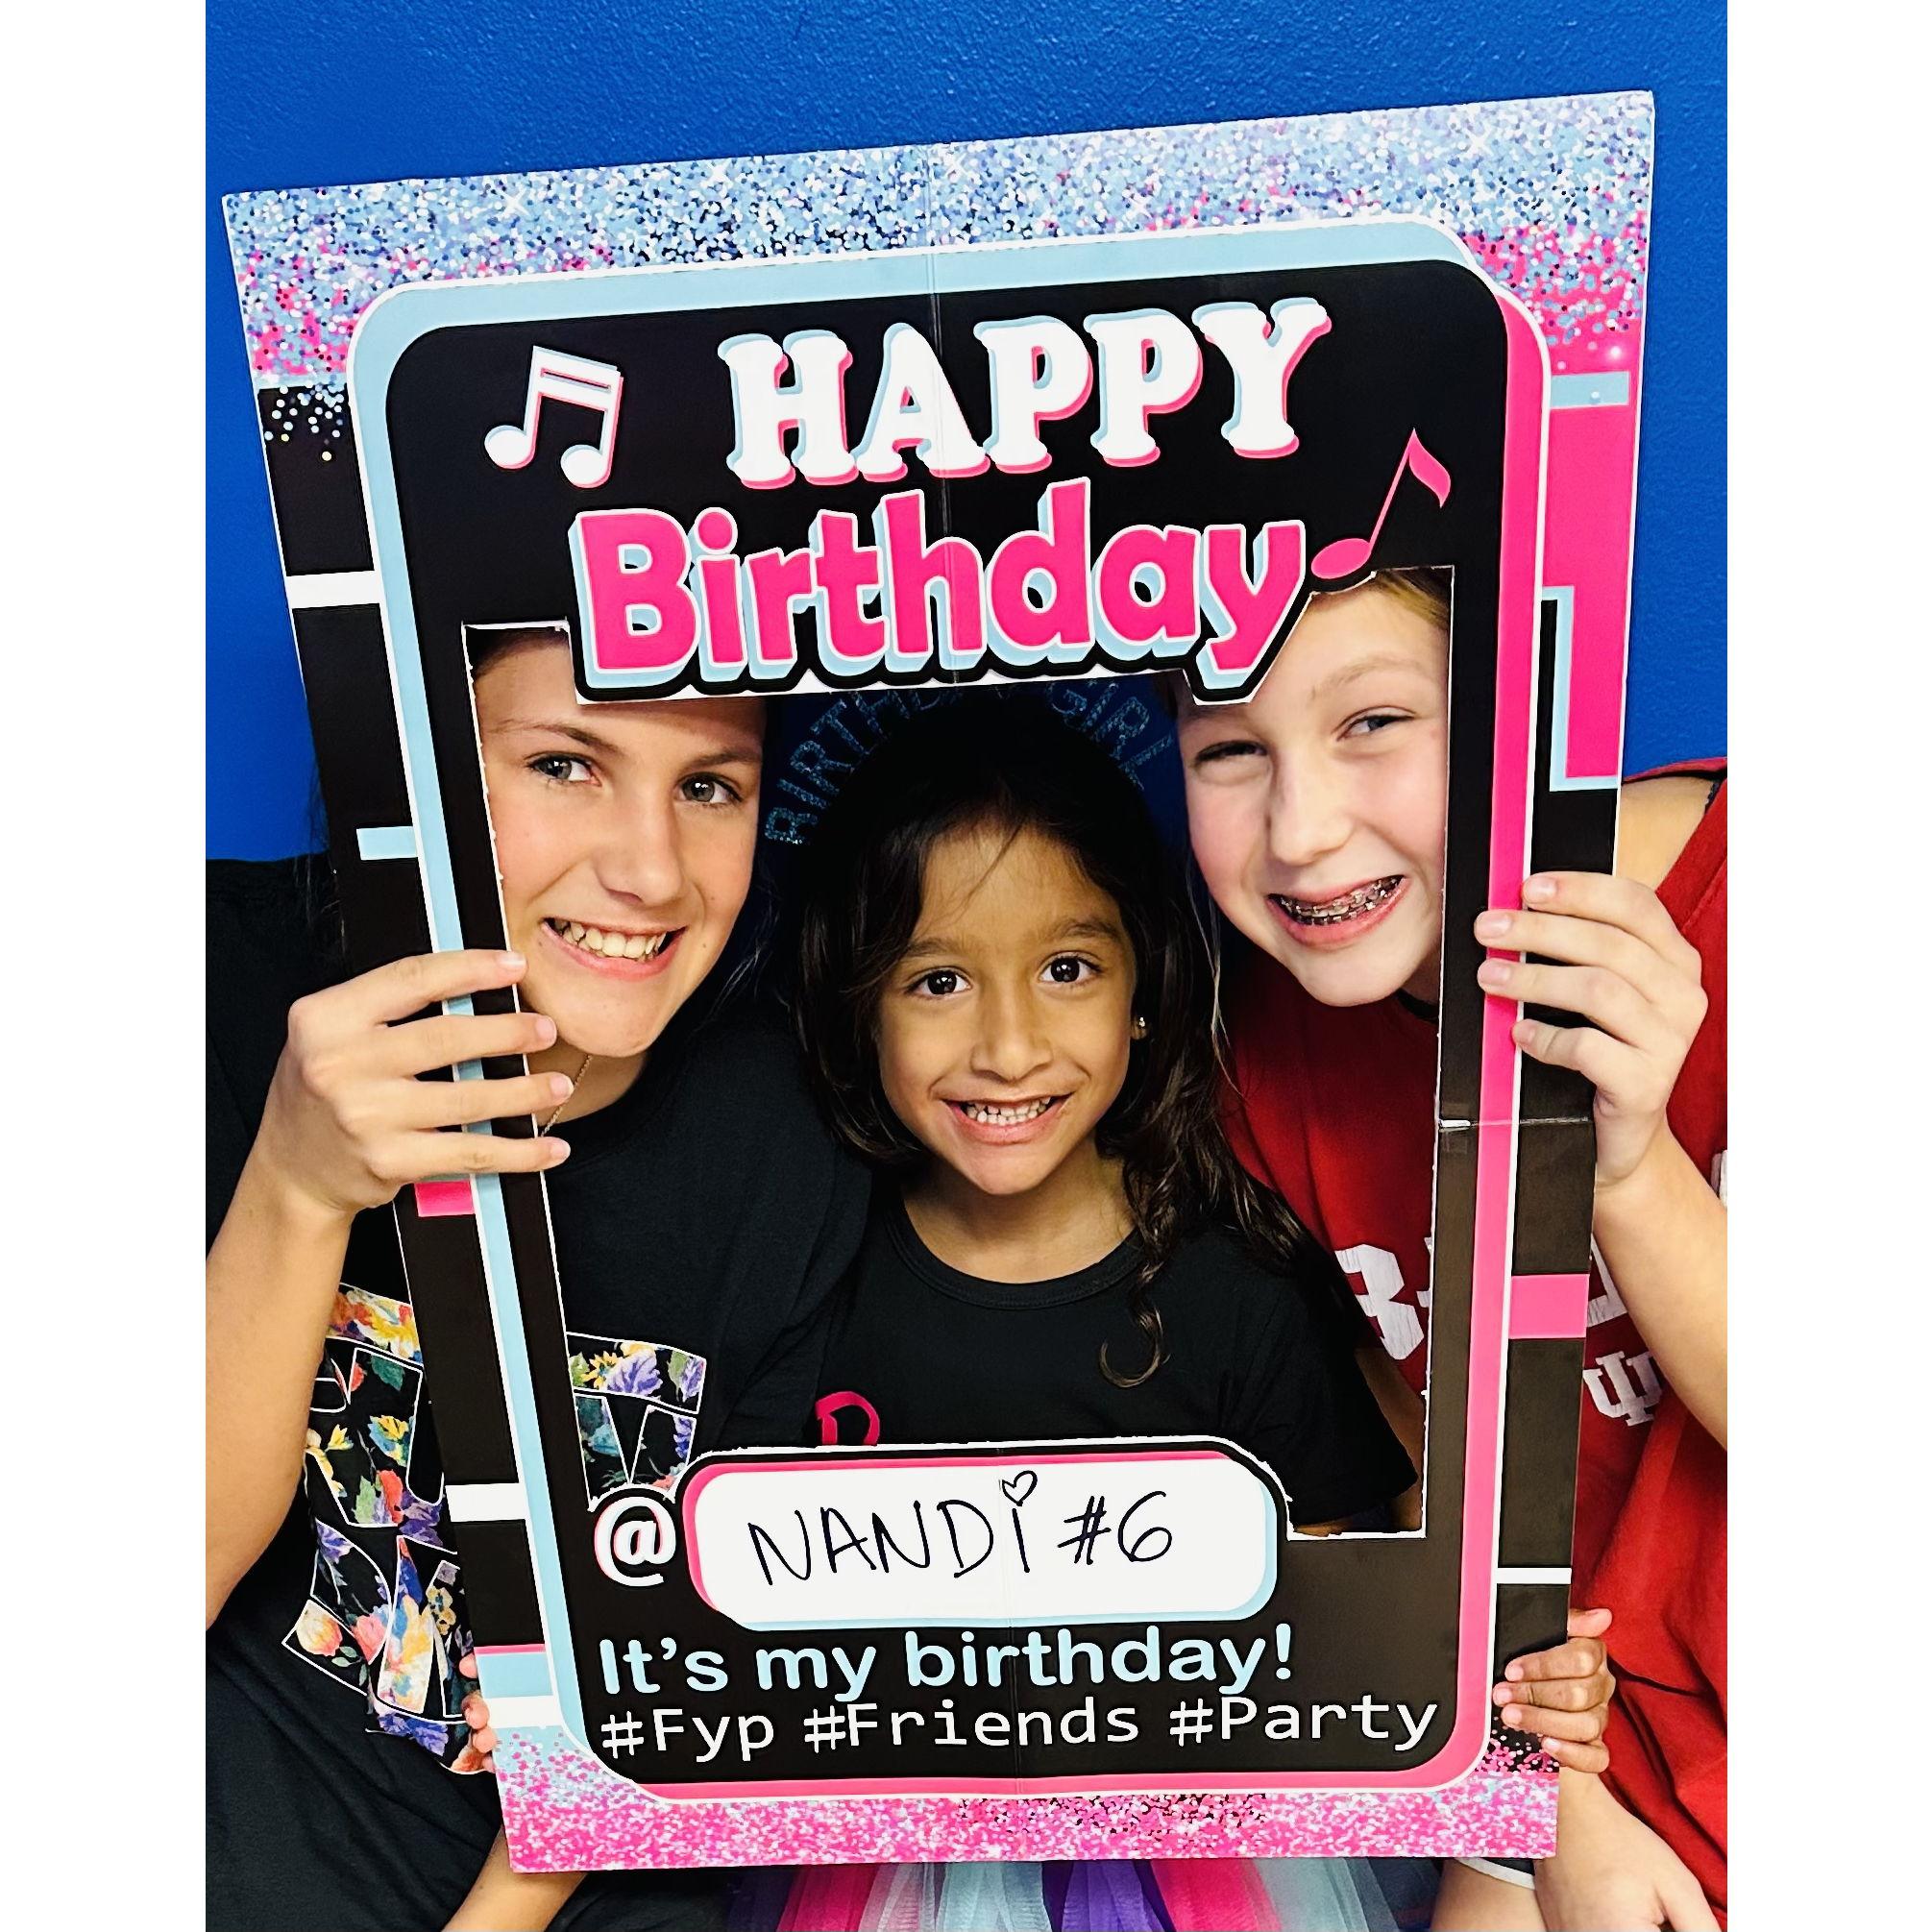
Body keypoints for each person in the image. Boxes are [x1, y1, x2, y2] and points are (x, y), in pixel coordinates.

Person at [750, 698, 1602, 1932]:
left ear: (1142, 987)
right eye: (937, 980)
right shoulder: (806, 1274)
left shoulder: (1233, 1293)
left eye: (1067, 970)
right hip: (884, 1849)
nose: (1008, 1046)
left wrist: (1522, 1687)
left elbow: (1347, 1620)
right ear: (857, 1007)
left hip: (1208, 1862)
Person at [207, 629, 869, 1931]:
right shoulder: (205, 976)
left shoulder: (796, 1139)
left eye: (709, 784)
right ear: (413, 760)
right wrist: (295, 1183)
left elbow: (690, 1682)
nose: (650, 870)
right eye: (566, 763)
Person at [1174, 571, 1725, 1930]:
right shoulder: (1257, 1051)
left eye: (1372, 722)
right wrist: (1548, 1793)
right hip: (1569, 1734)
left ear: (1519, 704)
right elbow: (1440, 1480)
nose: (1301, 832)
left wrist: (1626, 1164)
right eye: (1229, 749)